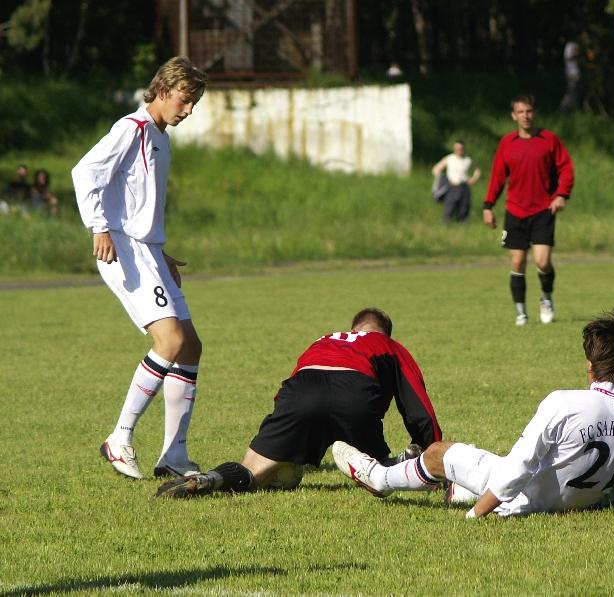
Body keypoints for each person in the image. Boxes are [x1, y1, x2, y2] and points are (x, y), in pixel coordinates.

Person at [333, 311, 614, 518]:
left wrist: (477, 514)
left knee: (438, 453)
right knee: (469, 472)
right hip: (570, 501)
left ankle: (379, 479)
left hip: (521, 500)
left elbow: (518, 467)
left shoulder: (564, 403)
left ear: (590, 366)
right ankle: (450, 487)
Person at [71, 56, 208, 480]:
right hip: (122, 250)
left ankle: (173, 455)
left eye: (194, 105)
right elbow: (85, 172)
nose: (188, 111)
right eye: (185, 101)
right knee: (169, 340)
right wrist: (100, 227)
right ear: (163, 90)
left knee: (190, 346)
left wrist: (158, 252)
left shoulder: (161, 137)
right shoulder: (132, 128)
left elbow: (137, 204)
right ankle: (120, 438)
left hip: (144, 249)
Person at [155, 308, 443, 498]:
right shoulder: (387, 346)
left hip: (301, 393)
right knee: (381, 472)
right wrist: (434, 453)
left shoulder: (324, 341)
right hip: (354, 394)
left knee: (253, 471)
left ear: (354, 328)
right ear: (384, 333)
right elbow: (418, 407)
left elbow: (288, 392)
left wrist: (289, 443)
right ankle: (404, 463)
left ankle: (210, 479)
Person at [483, 94, 575, 326]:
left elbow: (566, 169)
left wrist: (561, 195)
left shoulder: (549, 140)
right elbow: (497, 177)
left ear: (535, 113)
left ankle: (546, 298)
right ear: (514, 116)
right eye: (521, 112)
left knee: (542, 262)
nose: (526, 116)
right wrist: (488, 205)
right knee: (517, 263)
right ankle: (521, 313)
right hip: (515, 211)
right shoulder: (507, 143)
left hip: (543, 209)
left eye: (529, 111)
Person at [431, 141, 481, 223]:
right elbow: (436, 170)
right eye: (457, 148)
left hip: (464, 187)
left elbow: (477, 171)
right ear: (454, 148)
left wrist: (473, 180)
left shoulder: (467, 160)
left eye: (460, 148)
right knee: (449, 209)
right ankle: (447, 227)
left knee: (464, 209)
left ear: (463, 149)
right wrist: (444, 180)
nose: (459, 150)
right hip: (452, 187)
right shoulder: (450, 158)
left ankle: (462, 228)